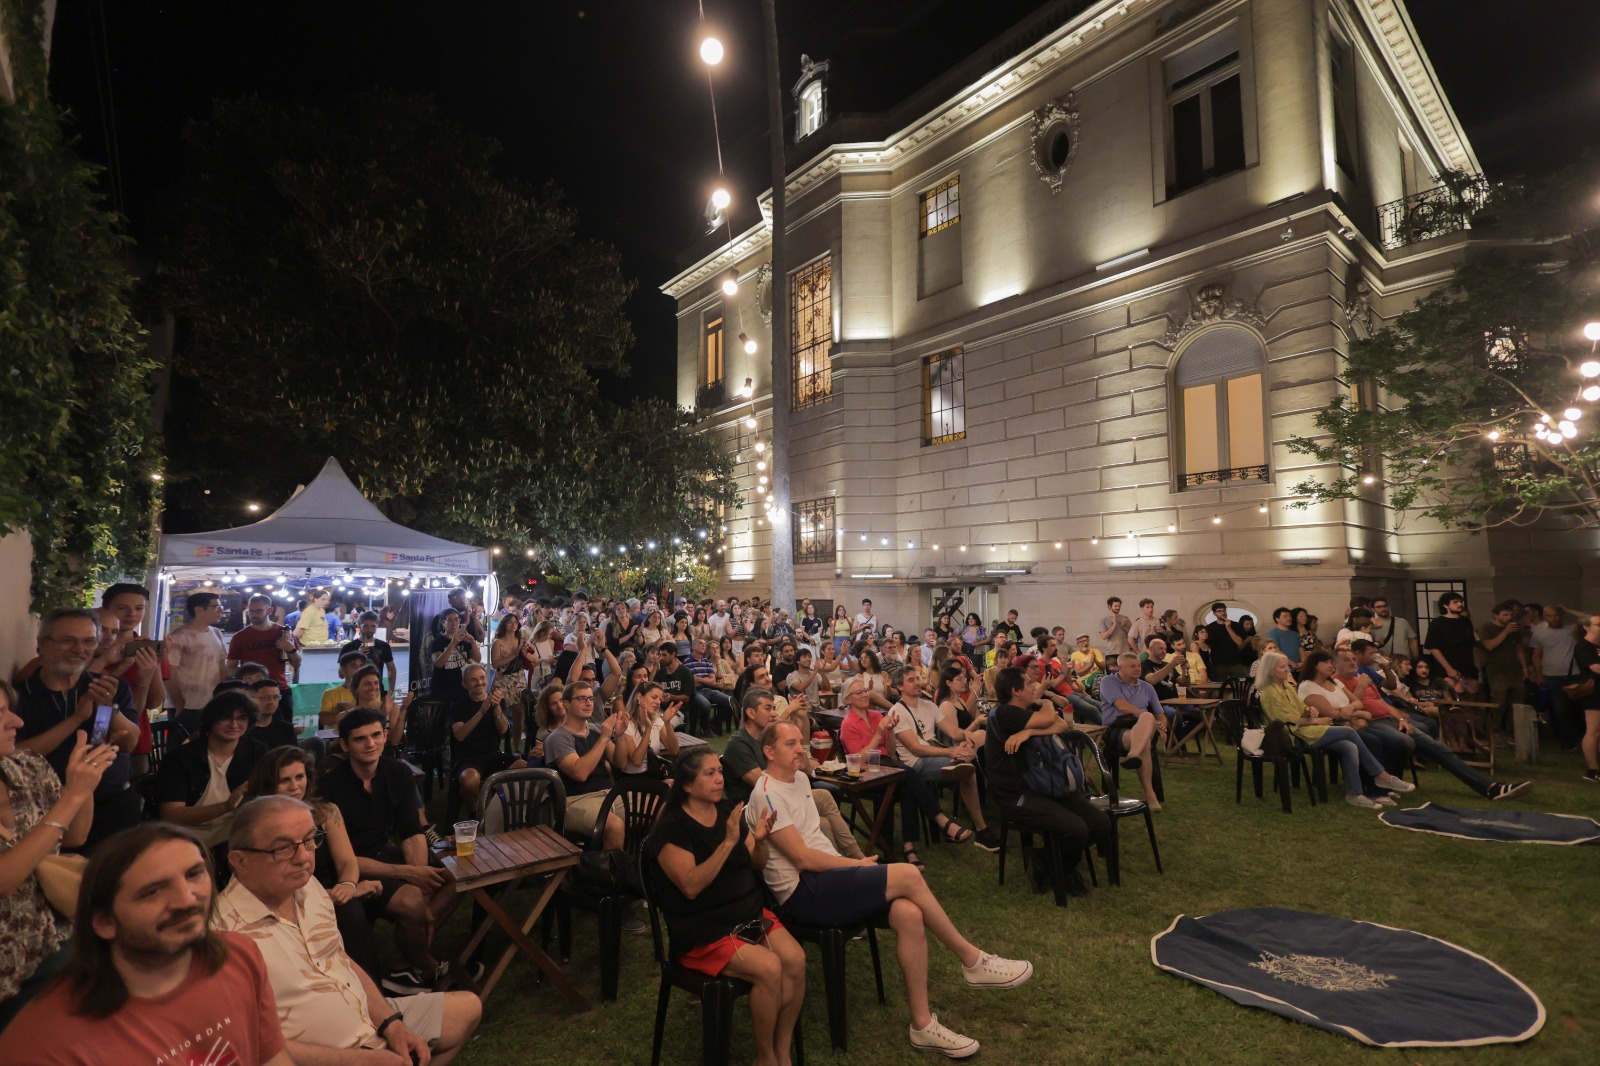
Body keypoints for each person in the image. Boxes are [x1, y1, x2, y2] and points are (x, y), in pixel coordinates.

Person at [750, 719, 1033, 1058]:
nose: (800, 748)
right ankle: (972, 961)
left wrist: (850, 861)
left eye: (800, 742)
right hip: (802, 893)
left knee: (909, 914)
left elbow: (815, 835)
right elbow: (802, 858)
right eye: (791, 744)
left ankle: (922, 1025)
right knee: (908, 875)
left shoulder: (797, 778)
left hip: (827, 880)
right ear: (769, 752)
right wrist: (856, 864)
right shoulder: (766, 794)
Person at [217, 796, 481, 1064]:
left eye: (310, 840)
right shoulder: (223, 938)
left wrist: (392, 1025)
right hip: (320, 1054)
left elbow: (340, 959)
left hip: (367, 1018)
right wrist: (362, 1060)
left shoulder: (308, 887)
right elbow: (254, 1045)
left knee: (468, 1009)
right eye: (283, 848)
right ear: (240, 861)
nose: (304, 858)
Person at [0, 823, 291, 1064]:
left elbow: (272, 1058)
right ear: (104, 922)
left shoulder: (240, 954)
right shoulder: (40, 1042)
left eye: (193, 874)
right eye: (152, 892)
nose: (187, 899)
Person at [644, 750, 805, 1066]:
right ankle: (765, 1057)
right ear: (687, 785)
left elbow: (756, 864)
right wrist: (728, 843)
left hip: (748, 915)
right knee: (771, 968)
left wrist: (759, 841)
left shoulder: (726, 811)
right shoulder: (672, 828)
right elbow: (690, 886)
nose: (719, 778)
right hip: (703, 930)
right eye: (709, 773)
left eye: (719, 771)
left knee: (796, 961)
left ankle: (781, 1051)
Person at [0, 679, 117, 1029]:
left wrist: (82, 786)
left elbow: (75, 837)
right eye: (0, 714)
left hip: (49, 942)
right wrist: (70, 798)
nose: (17, 722)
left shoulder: (25, 766)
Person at [318, 709, 461, 996]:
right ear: (345, 745)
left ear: (385, 736)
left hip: (383, 853)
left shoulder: (397, 771)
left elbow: (412, 833)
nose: (370, 744)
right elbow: (342, 858)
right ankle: (428, 966)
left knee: (457, 878)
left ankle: (404, 967)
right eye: (360, 739)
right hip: (348, 869)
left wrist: (420, 882)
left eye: (376, 735)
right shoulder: (331, 785)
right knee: (410, 901)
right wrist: (409, 876)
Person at [243, 746, 384, 980]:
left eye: (300, 777)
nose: (295, 786)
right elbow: (273, 884)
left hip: (333, 890)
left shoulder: (326, 812)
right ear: (269, 784)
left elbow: (347, 861)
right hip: (285, 897)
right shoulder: (259, 823)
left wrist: (348, 885)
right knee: (346, 912)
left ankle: (370, 991)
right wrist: (332, 894)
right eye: (284, 780)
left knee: (351, 912)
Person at [15, 608, 142, 846]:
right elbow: (17, 757)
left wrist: (107, 707)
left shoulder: (110, 687)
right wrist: (75, 719)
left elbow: (129, 743)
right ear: (41, 645)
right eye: (68, 641)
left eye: (88, 642)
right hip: (47, 812)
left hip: (113, 806)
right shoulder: (20, 696)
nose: (79, 649)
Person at [982, 666, 1108, 895]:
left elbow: (1061, 725)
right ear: (1015, 690)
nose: (1034, 686)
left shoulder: (1025, 708)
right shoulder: (1005, 713)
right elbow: (1052, 717)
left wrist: (1029, 732)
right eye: (1029, 683)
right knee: (1076, 829)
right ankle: (1059, 867)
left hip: (1042, 785)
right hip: (1015, 795)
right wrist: (1047, 699)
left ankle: (1047, 860)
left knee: (1100, 824)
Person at [837, 677, 972, 867]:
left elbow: (891, 751)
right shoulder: (848, 723)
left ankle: (909, 847)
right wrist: (878, 735)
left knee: (908, 785)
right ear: (848, 699)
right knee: (909, 775)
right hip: (864, 774)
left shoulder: (877, 716)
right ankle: (941, 821)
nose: (864, 695)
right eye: (858, 692)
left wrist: (890, 731)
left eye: (865, 691)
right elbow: (857, 761)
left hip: (888, 765)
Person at [722, 687, 865, 859]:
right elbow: (763, 784)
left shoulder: (768, 740)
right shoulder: (738, 744)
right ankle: (852, 860)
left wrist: (791, 741)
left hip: (786, 796)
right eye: (768, 708)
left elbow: (808, 767)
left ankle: (843, 861)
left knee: (824, 819)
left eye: (774, 708)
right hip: (759, 810)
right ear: (751, 713)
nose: (775, 714)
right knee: (824, 801)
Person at [1253, 652, 1409, 808]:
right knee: (1349, 732)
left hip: (1309, 729)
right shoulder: (1269, 693)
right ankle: (1381, 775)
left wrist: (1309, 710)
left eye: (1286, 666)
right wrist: (1314, 719)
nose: (1287, 669)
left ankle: (1354, 793)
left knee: (1349, 746)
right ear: (1270, 670)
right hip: (1296, 735)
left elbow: (1300, 709)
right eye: (1282, 667)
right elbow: (1284, 721)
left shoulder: (1287, 686)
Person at [890, 670, 998, 851]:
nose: (918, 682)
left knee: (980, 734)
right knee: (968, 770)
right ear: (900, 686)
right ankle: (981, 829)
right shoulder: (897, 711)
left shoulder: (929, 706)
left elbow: (954, 733)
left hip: (938, 754)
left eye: (917, 678)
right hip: (916, 763)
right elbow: (916, 749)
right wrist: (949, 752)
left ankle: (958, 764)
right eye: (911, 680)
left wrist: (967, 734)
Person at [155, 691, 268, 848]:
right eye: (226, 718)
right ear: (211, 720)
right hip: (186, 837)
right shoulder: (179, 758)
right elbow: (172, 815)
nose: (234, 725)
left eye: (241, 718)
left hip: (238, 833)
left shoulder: (257, 751)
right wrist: (226, 806)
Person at [544, 680, 627, 850]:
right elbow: (579, 773)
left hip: (608, 794)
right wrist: (604, 738)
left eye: (590, 698)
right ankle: (606, 874)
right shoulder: (558, 738)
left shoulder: (596, 729)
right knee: (614, 826)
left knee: (659, 806)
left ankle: (639, 864)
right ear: (566, 704)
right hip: (576, 800)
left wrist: (619, 736)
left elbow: (621, 762)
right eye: (582, 699)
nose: (589, 703)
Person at [1095, 654, 1166, 812]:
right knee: (1145, 739)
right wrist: (1146, 717)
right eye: (1132, 666)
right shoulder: (1108, 681)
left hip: (1143, 727)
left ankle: (1133, 755)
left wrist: (1162, 727)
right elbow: (1121, 706)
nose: (1137, 669)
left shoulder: (1147, 687)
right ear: (1119, 668)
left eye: (1138, 666)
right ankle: (1150, 794)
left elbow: (1160, 715)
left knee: (1147, 719)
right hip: (1115, 728)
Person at [450, 664, 525, 812]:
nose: (479, 683)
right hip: (468, 758)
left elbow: (503, 729)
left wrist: (496, 708)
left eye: (482, 678)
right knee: (470, 781)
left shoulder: (496, 701)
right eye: (473, 680)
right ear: (465, 685)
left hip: (493, 755)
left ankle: (507, 810)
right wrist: (482, 712)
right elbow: (459, 735)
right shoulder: (458, 706)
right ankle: (475, 814)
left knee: (526, 767)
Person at [167, 591, 230, 717]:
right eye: (216, 607)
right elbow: (169, 674)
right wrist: (179, 704)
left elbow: (221, 664)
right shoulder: (179, 636)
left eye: (221, 607)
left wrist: (224, 694)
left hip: (212, 702)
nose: (221, 611)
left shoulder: (216, 632)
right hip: (187, 704)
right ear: (199, 610)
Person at [229, 593, 302, 693]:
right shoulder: (239, 637)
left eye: (258, 611)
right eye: (251, 611)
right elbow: (230, 668)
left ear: (269, 611)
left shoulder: (283, 633)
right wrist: (247, 676)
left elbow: (297, 664)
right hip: (252, 691)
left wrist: (291, 649)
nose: (254, 614)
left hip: (279, 688)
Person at [1478, 600, 1528, 731]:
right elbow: (1489, 646)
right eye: (1505, 615)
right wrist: (1505, 632)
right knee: (1499, 703)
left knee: (1517, 703)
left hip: (1515, 671)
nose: (1509, 618)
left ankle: (1514, 732)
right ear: (1496, 615)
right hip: (1497, 672)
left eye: (1510, 615)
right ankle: (1495, 732)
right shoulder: (1486, 628)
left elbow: (1518, 648)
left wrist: (1524, 668)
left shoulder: (1514, 629)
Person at [613, 682, 681, 776]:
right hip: (633, 779)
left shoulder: (657, 722)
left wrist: (667, 723)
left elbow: (674, 751)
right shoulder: (626, 725)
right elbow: (637, 762)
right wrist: (648, 730)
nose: (658, 702)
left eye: (659, 699)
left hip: (653, 773)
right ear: (639, 697)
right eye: (654, 697)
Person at [1423, 592, 1479, 695]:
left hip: (1468, 667)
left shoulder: (1466, 622)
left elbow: (1472, 644)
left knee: (1471, 694)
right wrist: (1449, 668)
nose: (1460, 604)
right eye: (1455, 602)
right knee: (1453, 696)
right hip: (1448, 666)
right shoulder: (1437, 623)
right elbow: (1433, 647)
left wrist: (1477, 663)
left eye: (1461, 601)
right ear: (1445, 605)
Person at [429, 608, 479, 706]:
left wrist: (473, 643)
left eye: (457, 619)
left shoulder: (464, 639)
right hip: (443, 689)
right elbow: (439, 663)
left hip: (463, 688)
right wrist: (453, 643)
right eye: (450, 620)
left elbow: (476, 659)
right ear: (443, 623)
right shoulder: (437, 642)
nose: (454, 623)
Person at [343, 611, 398, 696]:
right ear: (359, 625)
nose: (369, 629)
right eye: (366, 626)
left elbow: (391, 669)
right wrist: (357, 655)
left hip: (377, 692)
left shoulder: (383, 646)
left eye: (373, 626)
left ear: (377, 626)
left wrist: (391, 691)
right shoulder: (349, 647)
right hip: (354, 693)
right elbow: (341, 673)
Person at [1574, 616, 1600, 784]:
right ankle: (1592, 769)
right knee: (1594, 729)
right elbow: (1596, 668)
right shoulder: (1583, 646)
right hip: (1594, 692)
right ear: (1587, 627)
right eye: (1599, 624)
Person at [245, 678, 300, 749]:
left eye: (275, 697)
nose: (271, 702)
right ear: (251, 699)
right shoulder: (243, 729)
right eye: (265, 698)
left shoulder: (286, 729)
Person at [1204, 602, 1247, 680]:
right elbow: (1207, 646)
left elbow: (1239, 642)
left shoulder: (1236, 625)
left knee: (1241, 685)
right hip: (1218, 664)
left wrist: (1229, 628)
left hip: (1235, 662)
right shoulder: (1210, 628)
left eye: (1224, 610)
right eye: (1219, 611)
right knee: (1220, 688)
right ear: (1214, 613)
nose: (1222, 613)